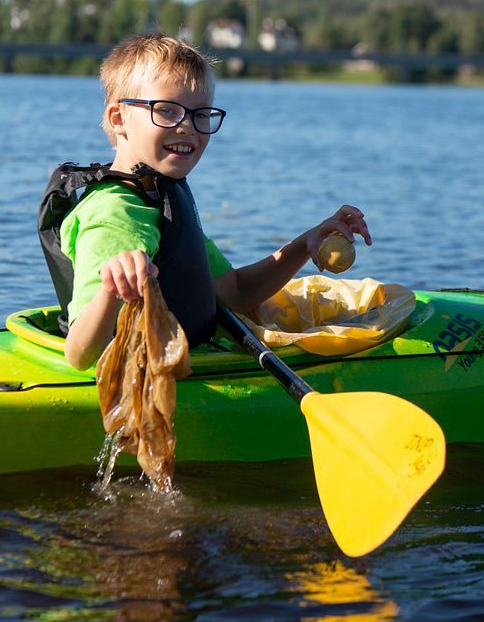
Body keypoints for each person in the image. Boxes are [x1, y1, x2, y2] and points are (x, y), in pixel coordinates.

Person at [59, 32, 371, 370]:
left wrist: (305, 243)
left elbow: (236, 291)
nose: (187, 128)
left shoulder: (159, 196)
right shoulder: (117, 216)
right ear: (119, 119)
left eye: (201, 114)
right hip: (147, 382)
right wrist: (110, 290)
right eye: (166, 111)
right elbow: (80, 355)